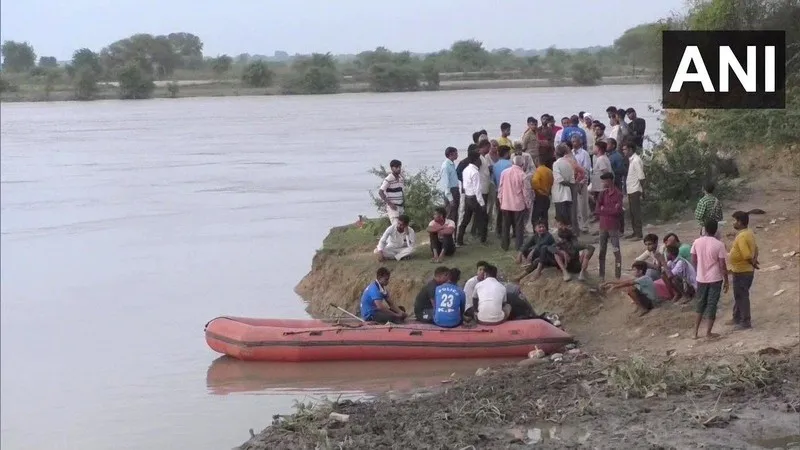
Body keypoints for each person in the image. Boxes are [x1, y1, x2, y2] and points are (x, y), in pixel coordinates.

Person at [690, 219, 730, 340]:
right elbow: (723, 265)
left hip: (701, 278)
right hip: (715, 278)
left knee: (700, 304)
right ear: (716, 230)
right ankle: (708, 333)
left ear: (705, 229)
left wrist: (699, 269)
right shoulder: (719, 244)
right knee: (712, 304)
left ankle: (695, 333)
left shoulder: (696, 242)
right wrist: (726, 280)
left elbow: (694, 259)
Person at [729, 210, 759, 330]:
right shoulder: (749, 233)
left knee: (742, 295)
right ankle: (736, 317)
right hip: (745, 270)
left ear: (740, 222)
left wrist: (752, 262)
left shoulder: (741, 236)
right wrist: (754, 261)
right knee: (739, 295)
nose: (734, 223)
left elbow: (746, 254)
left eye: (735, 220)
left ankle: (745, 321)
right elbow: (756, 248)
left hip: (742, 270)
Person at [498, 154, 532, 251]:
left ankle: (505, 246)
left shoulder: (504, 173)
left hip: (506, 203)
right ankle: (519, 246)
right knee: (519, 226)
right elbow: (526, 192)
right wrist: (528, 204)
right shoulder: (523, 175)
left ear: (512, 163)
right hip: (518, 205)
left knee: (505, 225)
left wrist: (501, 201)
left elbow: (500, 189)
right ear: (523, 164)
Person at [595, 172, 623, 280]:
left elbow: (618, 211)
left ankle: (617, 276)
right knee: (602, 251)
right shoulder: (603, 193)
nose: (603, 183)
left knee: (616, 251)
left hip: (613, 226)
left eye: (604, 180)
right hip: (603, 226)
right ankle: (601, 275)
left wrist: (604, 209)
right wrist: (609, 210)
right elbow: (597, 210)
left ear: (610, 180)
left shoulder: (618, 193)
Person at [457, 152, 487, 245]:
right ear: (475, 160)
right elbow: (477, 189)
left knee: (466, 219)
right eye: (479, 160)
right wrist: (482, 203)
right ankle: (483, 239)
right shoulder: (475, 172)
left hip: (467, 197)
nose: (480, 162)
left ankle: (459, 239)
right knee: (483, 218)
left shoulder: (466, 170)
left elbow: (465, 185)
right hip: (474, 198)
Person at [623, 142, 645, 240]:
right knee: (632, 213)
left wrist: (642, 190)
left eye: (625, 149)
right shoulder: (631, 160)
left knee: (636, 212)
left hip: (635, 189)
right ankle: (635, 232)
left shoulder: (636, 160)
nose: (623, 151)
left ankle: (639, 233)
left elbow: (641, 176)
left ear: (630, 149)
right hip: (631, 189)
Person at [569, 135, 591, 234]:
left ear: (579, 142)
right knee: (576, 204)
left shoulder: (584, 154)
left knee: (583, 204)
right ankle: (578, 224)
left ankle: (585, 226)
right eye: (572, 141)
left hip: (582, 181)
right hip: (574, 181)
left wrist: (582, 182)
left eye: (575, 141)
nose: (573, 143)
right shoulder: (571, 153)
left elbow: (586, 169)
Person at [492, 145, 513, 235]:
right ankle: (508, 230)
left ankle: (499, 230)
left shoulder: (495, 165)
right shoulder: (509, 164)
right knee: (509, 212)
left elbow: (493, 179)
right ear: (506, 153)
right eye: (509, 153)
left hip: (498, 191)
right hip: (507, 192)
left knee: (499, 212)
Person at [552, 144, 575, 228]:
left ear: (556, 153)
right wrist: (569, 184)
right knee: (568, 217)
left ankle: (563, 235)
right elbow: (572, 180)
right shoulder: (569, 163)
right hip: (568, 193)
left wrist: (566, 183)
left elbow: (559, 179)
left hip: (559, 194)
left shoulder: (556, 164)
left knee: (560, 218)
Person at [531, 154, 554, 230]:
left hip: (539, 196)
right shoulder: (549, 171)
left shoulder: (538, 171)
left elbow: (534, 181)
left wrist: (537, 189)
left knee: (535, 218)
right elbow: (552, 182)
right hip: (547, 196)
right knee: (544, 217)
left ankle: (537, 234)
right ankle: (545, 232)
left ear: (537, 161)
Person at [379, 159, 405, 225]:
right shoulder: (389, 179)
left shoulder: (401, 179)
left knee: (401, 226)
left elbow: (401, 191)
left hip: (401, 206)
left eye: (399, 167)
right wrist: (390, 204)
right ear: (392, 168)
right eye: (396, 167)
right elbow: (380, 192)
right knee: (395, 226)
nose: (398, 169)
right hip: (393, 207)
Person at [439, 146, 460, 228]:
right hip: (451, 192)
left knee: (454, 214)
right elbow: (446, 184)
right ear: (451, 154)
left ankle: (453, 235)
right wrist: (450, 199)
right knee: (450, 214)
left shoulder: (451, 164)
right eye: (456, 153)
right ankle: (447, 234)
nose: (457, 155)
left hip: (455, 190)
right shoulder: (446, 166)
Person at [590, 141, 613, 205]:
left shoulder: (601, 159)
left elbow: (606, 173)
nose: (593, 149)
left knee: (600, 204)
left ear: (598, 149)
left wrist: (607, 184)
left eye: (594, 147)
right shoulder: (602, 158)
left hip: (601, 188)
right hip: (598, 187)